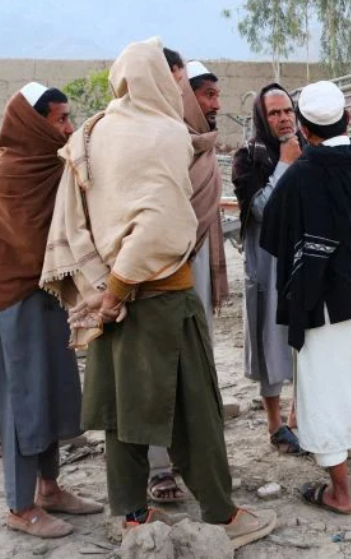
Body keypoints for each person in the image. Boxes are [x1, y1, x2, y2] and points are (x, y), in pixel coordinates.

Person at [39, 38, 273, 548]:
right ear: (157, 78)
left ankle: (132, 515)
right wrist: (121, 286)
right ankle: (223, 514)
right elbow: (161, 224)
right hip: (160, 296)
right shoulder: (166, 132)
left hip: (110, 304)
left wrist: (107, 293)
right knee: (196, 410)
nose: (179, 88)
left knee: (121, 413)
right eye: (175, 78)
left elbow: (82, 218)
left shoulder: (91, 132)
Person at [0, 82, 103, 538]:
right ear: (33, 122)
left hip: (46, 299)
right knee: (22, 406)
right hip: (13, 306)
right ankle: (19, 506)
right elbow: (33, 243)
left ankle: (49, 489)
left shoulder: (50, 166)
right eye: (60, 119)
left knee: (49, 397)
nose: (68, 127)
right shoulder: (6, 172)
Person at [260, 81, 351, 514]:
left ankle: (340, 492)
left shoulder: (302, 174)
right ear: (348, 117)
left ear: (302, 128)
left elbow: (273, 231)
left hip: (319, 304)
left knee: (323, 392)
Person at [144, 58, 232, 504]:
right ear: (184, 96)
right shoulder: (162, 143)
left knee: (196, 367)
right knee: (161, 368)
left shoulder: (206, 147)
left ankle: (192, 457)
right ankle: (158, 466)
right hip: (160, 272)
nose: (216, 104)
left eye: (217, 95)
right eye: (207, 95)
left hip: (197, 272)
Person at [231, 83, 304, 455]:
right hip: (266, 264)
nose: (284, 119)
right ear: (262, 117)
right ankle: (275, 425)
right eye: (274, 113)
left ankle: (297, 416)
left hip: (301, 261)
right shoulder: (249, 157)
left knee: (304, 341)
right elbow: (261, 209)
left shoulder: (307, 149)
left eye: (288, 110)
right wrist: (286, 165)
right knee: (269, 339)